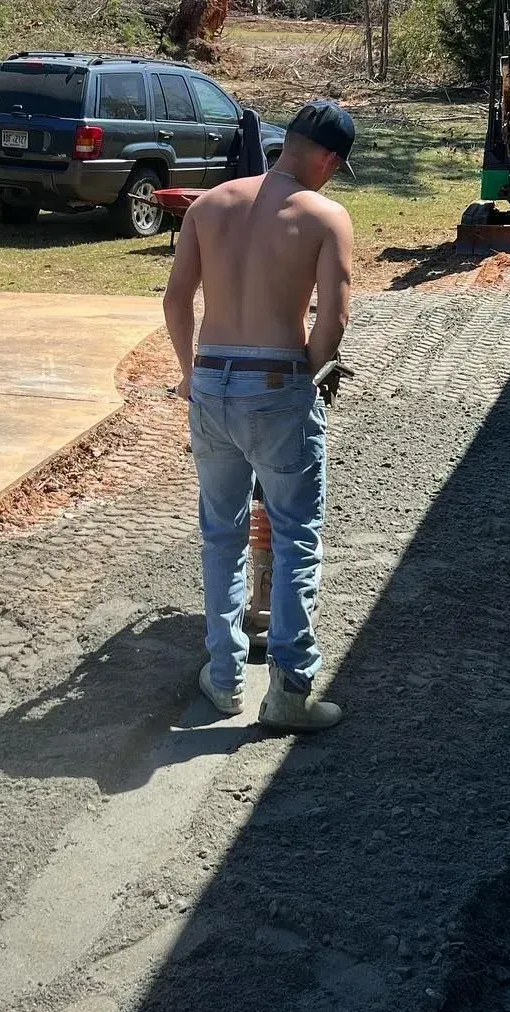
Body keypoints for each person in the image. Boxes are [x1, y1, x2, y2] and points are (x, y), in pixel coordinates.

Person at [162, 100, 355, 732]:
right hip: (277, 383)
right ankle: (289, 693)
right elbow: (332, 320)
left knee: (222, 532)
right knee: (296, 534)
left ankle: (223, 679)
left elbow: (175, 299)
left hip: (212, 379)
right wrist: (315, 376)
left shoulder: (209, 203)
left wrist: (192, 375)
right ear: (326, 159)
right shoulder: (325, 216)